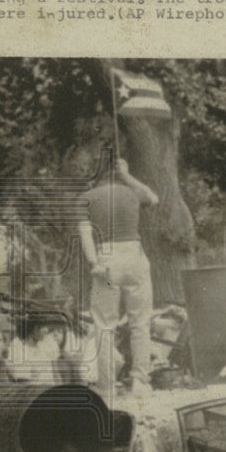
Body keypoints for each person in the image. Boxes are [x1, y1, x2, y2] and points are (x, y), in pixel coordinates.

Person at [78, 156, 159, 402]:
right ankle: (139, 381)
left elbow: (85, 235)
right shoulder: (131, 192)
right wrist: (127, 176)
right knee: (140, 323)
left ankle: (107, 385)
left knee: (104, 325)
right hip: (134, 256)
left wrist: (94, 263)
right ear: (116, 171)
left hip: (107, 258)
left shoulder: (86, 198)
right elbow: (153, 198)